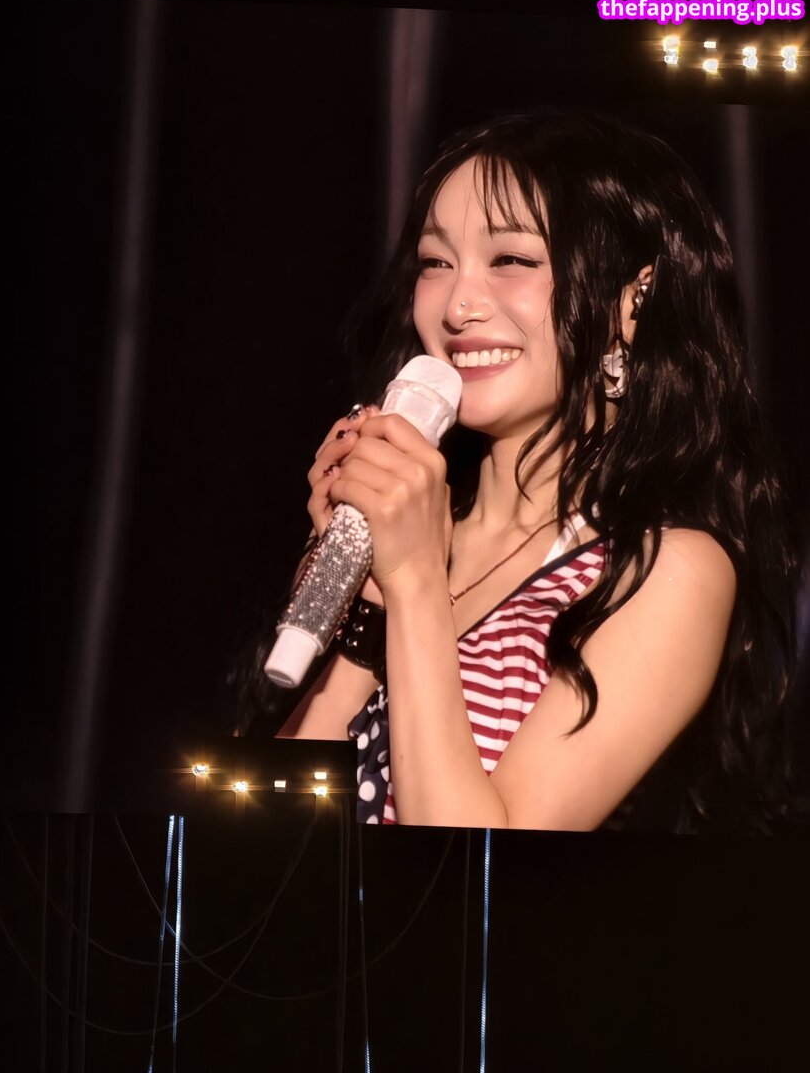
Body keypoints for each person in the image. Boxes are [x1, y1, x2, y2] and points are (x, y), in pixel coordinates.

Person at [267, 111, 796, 832]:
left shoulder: (661, 568)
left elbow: (476, 869)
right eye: (435, 262)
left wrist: (417, 584)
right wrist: (363, 596)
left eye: (511, 259)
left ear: (633, 300)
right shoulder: (421, 531)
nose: (458, 305)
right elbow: (270, 841)